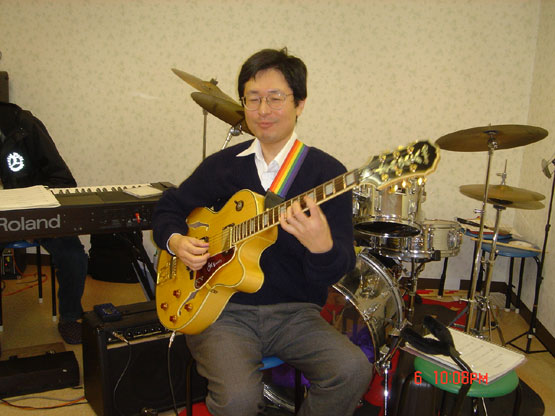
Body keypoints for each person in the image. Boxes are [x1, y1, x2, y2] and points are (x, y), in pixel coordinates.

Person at [152, 48, 373, 416]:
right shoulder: (222, 167)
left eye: (275, 98)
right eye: (252, 99)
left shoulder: (328, 175)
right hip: (222, 311)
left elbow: (338, 268)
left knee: (352, 370)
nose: (263, 110)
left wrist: (322, 248)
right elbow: (169, 207)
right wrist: (176, 241)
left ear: (300, 104)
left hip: (295, 313)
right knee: (237, 400)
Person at [0, 101, 88, 345]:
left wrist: (33, 219)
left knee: (74, 257)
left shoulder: (23, 124)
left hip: (37, 213)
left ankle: (70, 317)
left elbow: (62, 179)